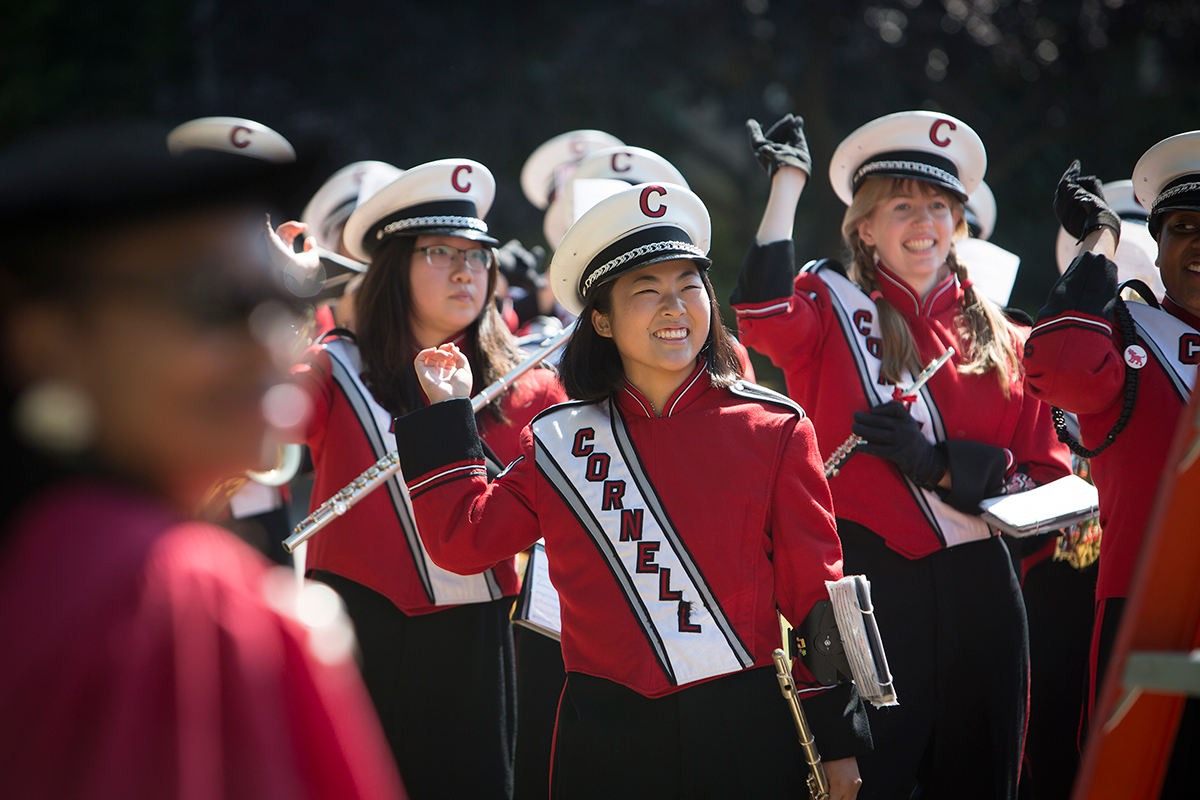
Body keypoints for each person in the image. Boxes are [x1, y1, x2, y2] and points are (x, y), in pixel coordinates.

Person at [393, 182, 871, 799]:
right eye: (646, 291)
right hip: (604, 735)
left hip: (743, 727)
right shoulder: (561, 440)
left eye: (689, 286)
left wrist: (837, 736)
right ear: (601, 319)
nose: (675, 308)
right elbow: (464, 541)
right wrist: (447, 413)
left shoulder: (773, 428)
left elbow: (818, 594)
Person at [0, 119, 404, 799]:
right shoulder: (177, 596)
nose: (269, 345)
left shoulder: (51, 553)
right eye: (215, 301)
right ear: (50, 341)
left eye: (282, 301)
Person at [730, 112, 1071, 799]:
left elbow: (1050, 483)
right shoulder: (829, 307)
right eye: (902, 206)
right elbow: (760, 315)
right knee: (863, 784)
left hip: (983, 592)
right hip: (862, 586)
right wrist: (788, 184)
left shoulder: (1007, 339)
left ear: (959, 223)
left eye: (939, 206)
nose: (924, 222)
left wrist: (944, 465)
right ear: (865, 228)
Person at [289, 159, 567, 800]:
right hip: (352, 629)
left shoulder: (531, 388)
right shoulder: (334, 367)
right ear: (393, 267)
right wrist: (286, 305)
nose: (467, 271)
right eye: (440, 252)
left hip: (478, 643)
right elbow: (262, 420)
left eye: (477, 254)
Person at [1023, 136, 1200, 796]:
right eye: (1183, 228)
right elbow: (1057, 365)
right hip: (1148, 612)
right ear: (1157, 244)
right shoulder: (1128, 336)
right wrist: (1099, 239)